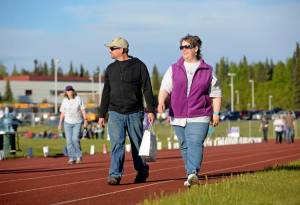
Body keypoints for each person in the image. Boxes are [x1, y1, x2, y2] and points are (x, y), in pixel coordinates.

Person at [157, 34, 222, 187]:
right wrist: (161, 101)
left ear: (196, 48)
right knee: (184, 145)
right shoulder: (174, 68)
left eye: (187, 47)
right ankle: (190, 173)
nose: (183, 50)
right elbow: (165, 88)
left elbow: (216, 94)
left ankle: (193, 172)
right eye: (182, 47)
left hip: (200, 113)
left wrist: (216, 114)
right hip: (177, 114)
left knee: (195, 142)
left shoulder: (207, 70)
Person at [98, 37, 156, 185]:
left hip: (135, 113)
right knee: (117, 143)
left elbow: (147, 88)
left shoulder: (139, 66)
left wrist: (150, 110)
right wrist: (101, 114)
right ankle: (115, 174)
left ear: (122, 49)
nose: (109, 51)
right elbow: (106, 92)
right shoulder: (110, 69)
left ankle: (142, 170)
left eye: (112, 48)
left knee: (137, 144)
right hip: (115, 113)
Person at [58, 85, 88, 164]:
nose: (69, 92)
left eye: (70, 90)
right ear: (66, 92)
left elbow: (83, 109)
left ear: (73, 91)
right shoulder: (64, 100)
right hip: (67, 123)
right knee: (69, 141)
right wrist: (60, 123)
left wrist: (85, 120)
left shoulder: (78, 98)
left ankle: (78, 156)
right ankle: (72, 158)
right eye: (68, 90)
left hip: (77, 122)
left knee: (75, 139)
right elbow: (62, 113)